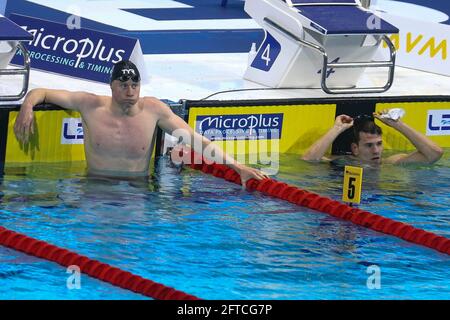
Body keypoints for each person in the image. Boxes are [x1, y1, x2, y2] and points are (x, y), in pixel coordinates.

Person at [14, 60, 268, 185]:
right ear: (111, 86)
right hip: (95, 189)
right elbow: (43, 92)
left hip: (138, 192)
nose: (130, 90)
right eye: (123, 85)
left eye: (134, 85)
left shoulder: (153, 110)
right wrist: (27, 105)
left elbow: (195, 140)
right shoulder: (90, 104)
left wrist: (238, 167)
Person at [301, 112, 443, 165]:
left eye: (379, 144)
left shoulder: (390, 163)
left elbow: (435, 154)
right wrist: (336, 129)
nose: (376, 151)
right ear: (355, 148)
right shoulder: (343, 162)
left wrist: (398, 124)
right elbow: (308, 159)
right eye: (369, 145)